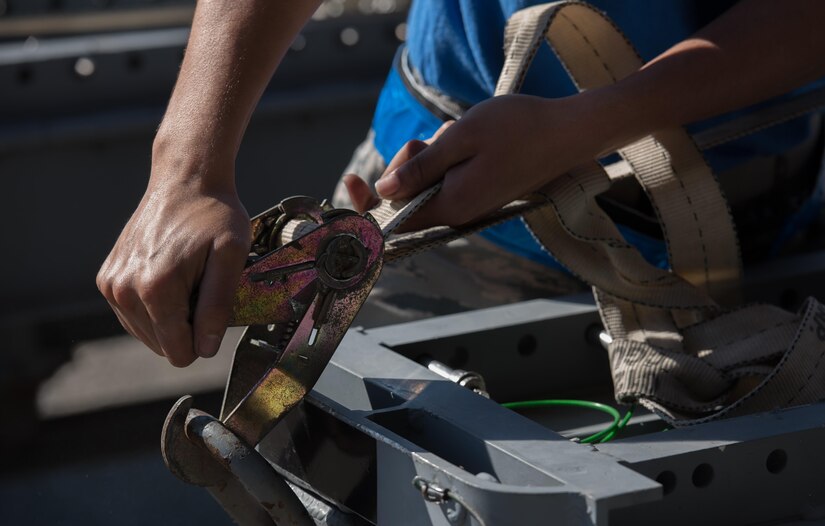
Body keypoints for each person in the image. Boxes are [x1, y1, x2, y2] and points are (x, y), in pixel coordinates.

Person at [97, 0, 825, 367]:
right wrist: (183, 169)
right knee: (335, 471)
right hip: (416, 214)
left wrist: (592, 124)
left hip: (728, 240)